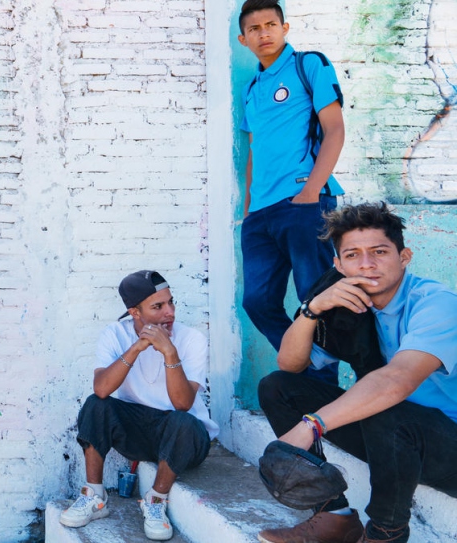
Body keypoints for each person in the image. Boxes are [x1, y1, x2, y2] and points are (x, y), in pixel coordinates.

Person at [257, 202, 457, 543]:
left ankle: (384, 534)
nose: (366, 264)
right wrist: (312, 308)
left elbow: (397, 381)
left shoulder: (436, 303)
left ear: (404, 256)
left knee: (388, 411)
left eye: (379, 251)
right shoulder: (349, 305)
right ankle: (334, 516)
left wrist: (312, 425)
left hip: (448, 445)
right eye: (353, 255)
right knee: (278, 388)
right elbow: (289, 365)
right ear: (338, 264)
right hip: (395, 442)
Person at [60, 271, 218, 541]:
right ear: (135, 312)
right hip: (139, 431)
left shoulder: (192, 339)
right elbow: (102, 388)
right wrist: (137, 348)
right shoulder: (114, 334)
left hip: (186, 438)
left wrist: (170, 352)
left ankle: (156, 502)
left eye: (171, 302)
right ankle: (95, 496)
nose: (169, 312)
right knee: (96, 405)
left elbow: (182, 403)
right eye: (158, 306)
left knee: (184, 420)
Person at [237, 0, 346, 384]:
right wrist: (249, 207)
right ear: (243, 38)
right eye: (255, 28)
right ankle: (310, 362)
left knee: (315, 296)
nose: (264, 33)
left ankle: (324, 387)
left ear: (285, 28)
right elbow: (255, 150)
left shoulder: (308, 65)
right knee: (257, 301)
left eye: (271, 24)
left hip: (304, 201)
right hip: (261, 214)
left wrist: (311, 192)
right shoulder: (252, 88)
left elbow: (334, 129)